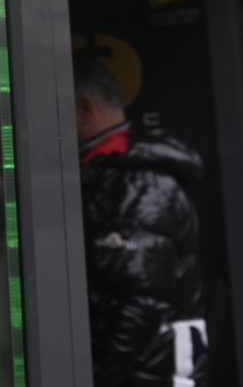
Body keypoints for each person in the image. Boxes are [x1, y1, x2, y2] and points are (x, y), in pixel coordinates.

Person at [73, 54, 208, 386]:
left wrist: (95, 377)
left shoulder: (135, 181)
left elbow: (137, 302)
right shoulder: (111, 169)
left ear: (85, 109)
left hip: (150, 372)